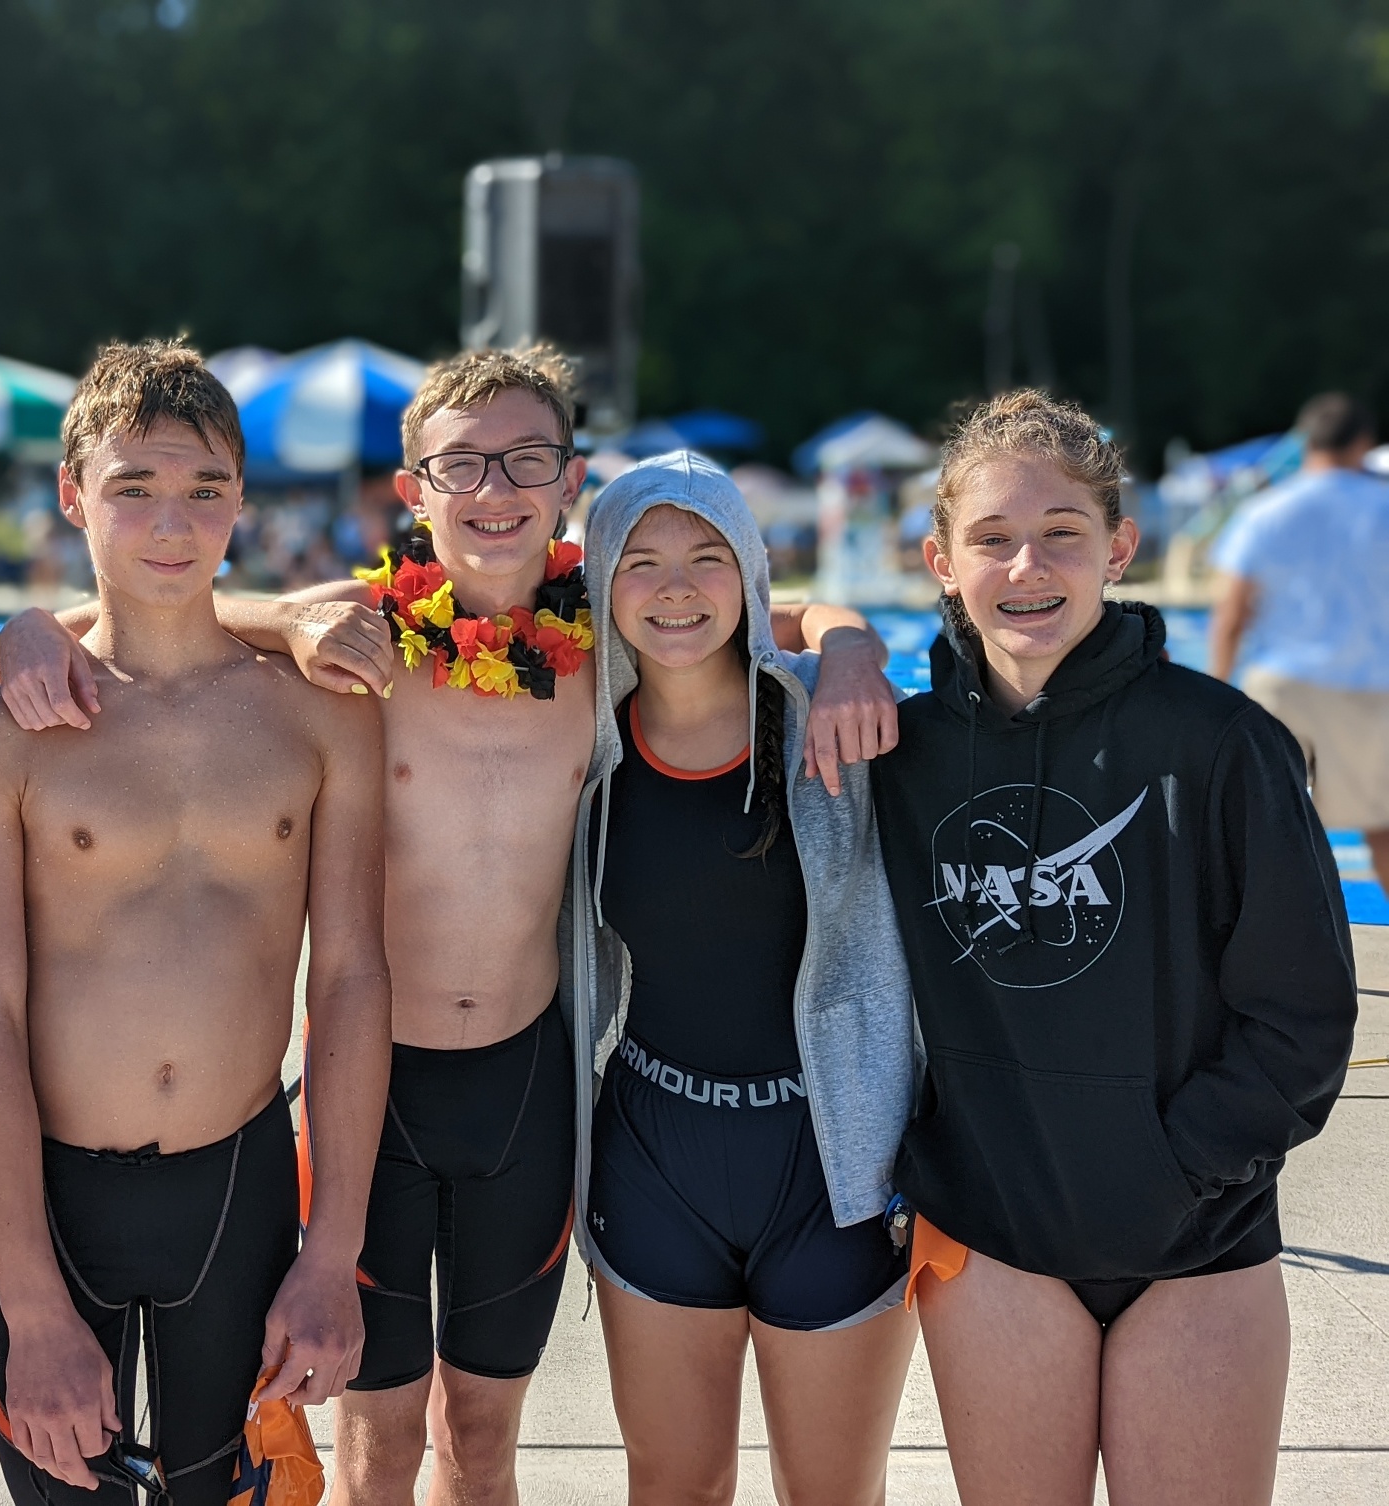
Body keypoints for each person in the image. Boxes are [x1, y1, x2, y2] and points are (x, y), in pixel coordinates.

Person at [0, 345, 900, 1506]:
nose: (493, 489)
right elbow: (164, 606)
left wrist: (850, 643)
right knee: (377, 1451)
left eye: (525, 460)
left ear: (567, 481)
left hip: (525, 1087)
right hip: (371, 1093)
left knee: (480, 1440)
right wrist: (32, 627)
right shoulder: (355, 638)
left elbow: (767, 607)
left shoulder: (612, 639)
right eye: (460, 464)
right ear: (412, 491)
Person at [0, 340, 391, 1506]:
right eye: (132, 487)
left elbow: (348, 978)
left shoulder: (319, 717)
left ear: (240, 500)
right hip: (50, 1201)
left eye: (203, 489)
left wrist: (333, 1252)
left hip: (240, 1188)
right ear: (72, 494)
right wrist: (30, 1302)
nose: (171, 524)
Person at [874, 391, 1356, 1505]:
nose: (1026, 565)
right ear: (940, 561)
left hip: (1195, 1242)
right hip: (995, 1235)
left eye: (1061, 532)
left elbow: (1301, 1018)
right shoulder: (898, 753)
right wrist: (842, 641)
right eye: (991, 538)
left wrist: (1173, 1172)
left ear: (1118, 548)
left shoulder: (1221, 743)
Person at [569, 452, 919, 1505]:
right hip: (654, 1153)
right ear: (599, 581)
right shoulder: (574, 737)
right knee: (673, 1486)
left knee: (830, 1493)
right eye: (641, 561)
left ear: (753, 575)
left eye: (707, 556)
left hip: (833, 1160)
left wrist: (849, 643)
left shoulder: (831, 721)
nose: (674, 587)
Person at [1209, 391, 1389, 895]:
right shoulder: (1384, 505)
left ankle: (1275, 935)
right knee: (1383, 829)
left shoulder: (1265, 510)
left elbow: (1232, 613)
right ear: (1363, 443)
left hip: (1282, 684)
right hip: (1371, 686)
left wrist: (1215, 690)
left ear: (1307, 442)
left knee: (1271, 826)